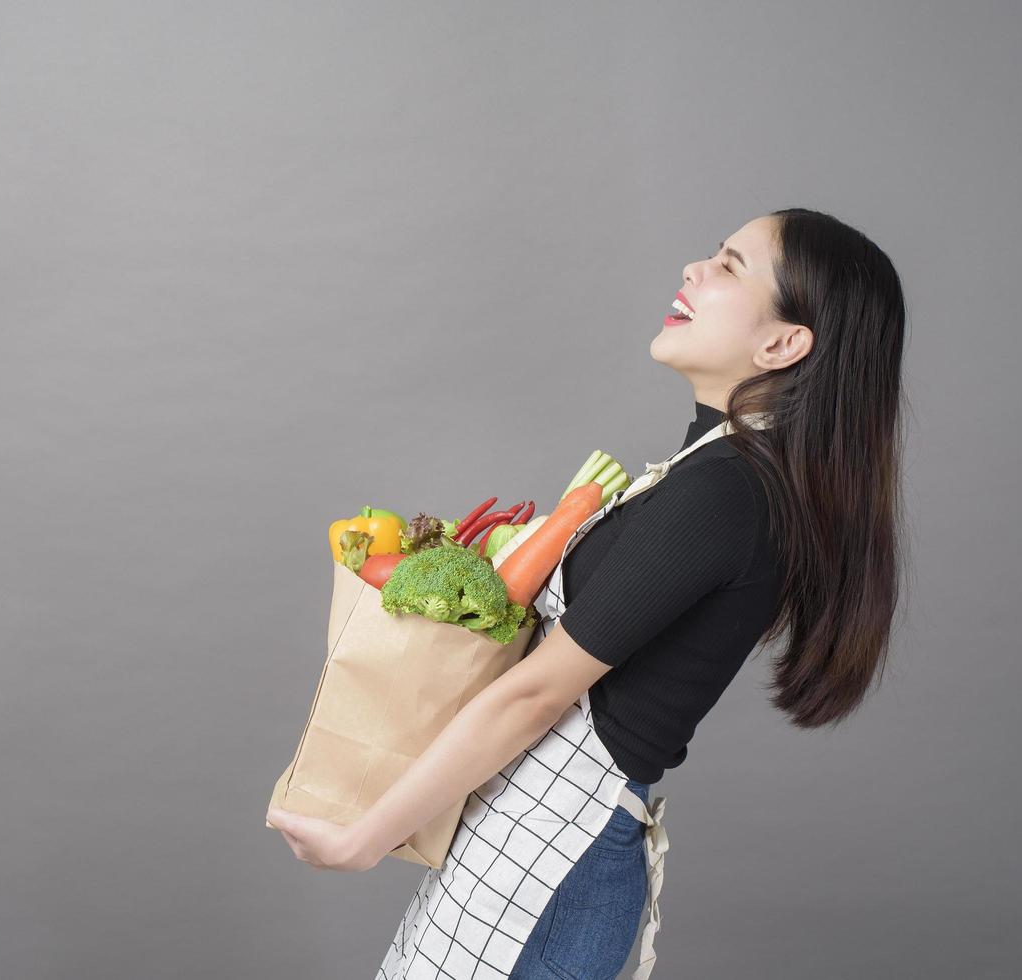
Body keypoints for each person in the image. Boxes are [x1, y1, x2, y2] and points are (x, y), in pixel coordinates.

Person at [269, 207, 910, 979]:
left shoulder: (727, 491)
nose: (693, 272)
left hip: (553, 858)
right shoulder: (713, 472)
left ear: (781, 343)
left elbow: (535, 695)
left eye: (730, 266)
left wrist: (363, 837)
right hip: (530, 837)